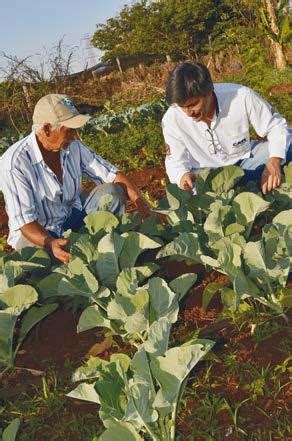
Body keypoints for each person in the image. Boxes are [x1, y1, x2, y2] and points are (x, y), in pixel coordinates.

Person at [0, 94, 152, 264]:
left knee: (113, 192)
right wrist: (51, 243)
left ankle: (105, 255)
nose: (75, 136)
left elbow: (112, 175)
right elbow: (26, 222)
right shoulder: (15, 163)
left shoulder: (73, 147)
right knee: (37, 264)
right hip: (38, 235)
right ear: (47, 129)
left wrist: (142, 205)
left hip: (71, 219)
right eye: (69, 130)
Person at [162, 62, 291, 194]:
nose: (188, 112)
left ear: (209, 91)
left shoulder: (241, 96)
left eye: (193, 104)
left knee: (288, 142)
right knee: (197, 197)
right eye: (182, 106)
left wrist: (274, 160)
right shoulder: (172, 118)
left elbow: (276, 125)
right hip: (206, 176)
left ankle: (258, 184)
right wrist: (182, 176)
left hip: (245, 161)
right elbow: (174, 161)